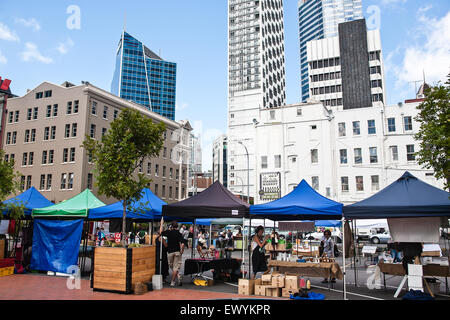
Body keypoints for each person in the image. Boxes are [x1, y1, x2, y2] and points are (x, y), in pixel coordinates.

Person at [159, 219, 185, 287]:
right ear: (177, 226)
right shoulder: (179, 234)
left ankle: (172, 281)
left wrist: (161, 223)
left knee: (172, 266)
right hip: (177, 252)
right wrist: (182, 250)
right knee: (175, 268)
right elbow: (182, 244)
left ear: (171, 226)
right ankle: (177, 276)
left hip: (170, 252)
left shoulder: (169, 232)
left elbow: (160, 232)